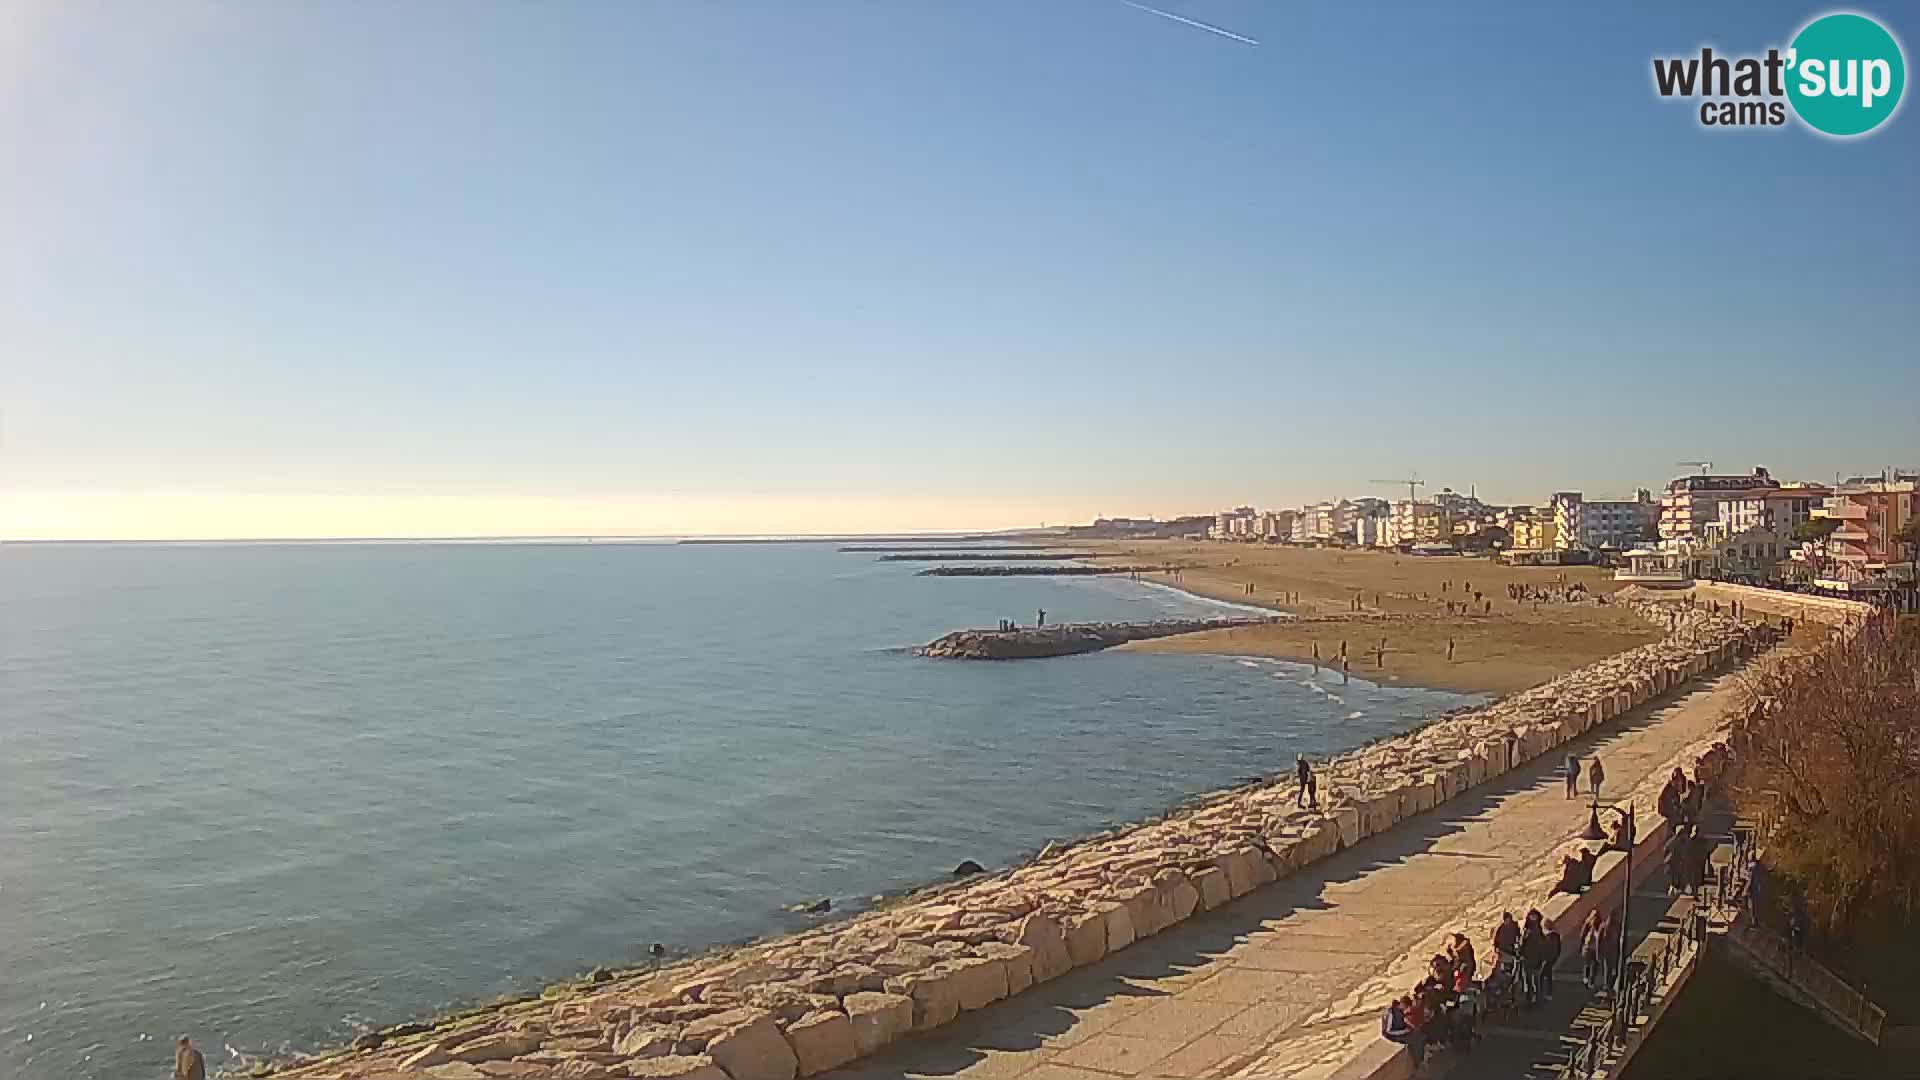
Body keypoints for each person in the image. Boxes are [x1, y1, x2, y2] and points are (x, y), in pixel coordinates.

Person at [1382, 996, 1425, 1066]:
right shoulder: (1391, 1013)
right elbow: (1388, 1031)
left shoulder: (1400, 1011)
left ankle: (1418, 1060)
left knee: (1420, 1036)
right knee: (1417, 1040)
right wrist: (1404, 1031)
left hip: (1402, 1031)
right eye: (1406, 1007)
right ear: (1403, 1005)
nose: (1407, 1009)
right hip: (1392, 1035)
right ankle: (1418, 1062)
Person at [1580, 910, 1603, 989]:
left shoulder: (1588, 924)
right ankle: (1591, 981)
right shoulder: (1599, 925)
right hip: (1595, 948)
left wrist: (1582, 944)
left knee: (1588, 964)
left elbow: (1582, 935)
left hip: (1588, 947)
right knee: (1594, 964)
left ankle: (1586, 979)